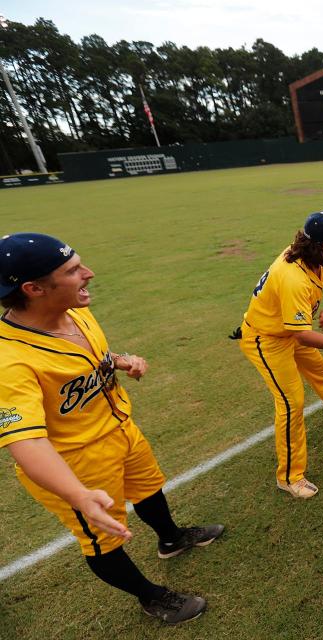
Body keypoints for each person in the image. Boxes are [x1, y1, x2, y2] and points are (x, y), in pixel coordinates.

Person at [0, 233, 223, 624]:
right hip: (75, 464)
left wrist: (119, 361)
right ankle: (150, 596)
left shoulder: (75, 310)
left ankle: (171, 538)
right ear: (33, 289)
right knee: (102, 540)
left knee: (149, 488)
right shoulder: (9, 360)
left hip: (119, 429)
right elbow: (27, 441)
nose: (89, 274)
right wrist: (79, 495)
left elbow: (90, 355)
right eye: (72, 271)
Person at [239, 213, 323, 499]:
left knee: (319, 371)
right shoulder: (293, 280)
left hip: (287, 332)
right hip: (267, 340)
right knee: (291, 403)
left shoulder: (316, 257)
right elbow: (302, 335)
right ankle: (289, 477)